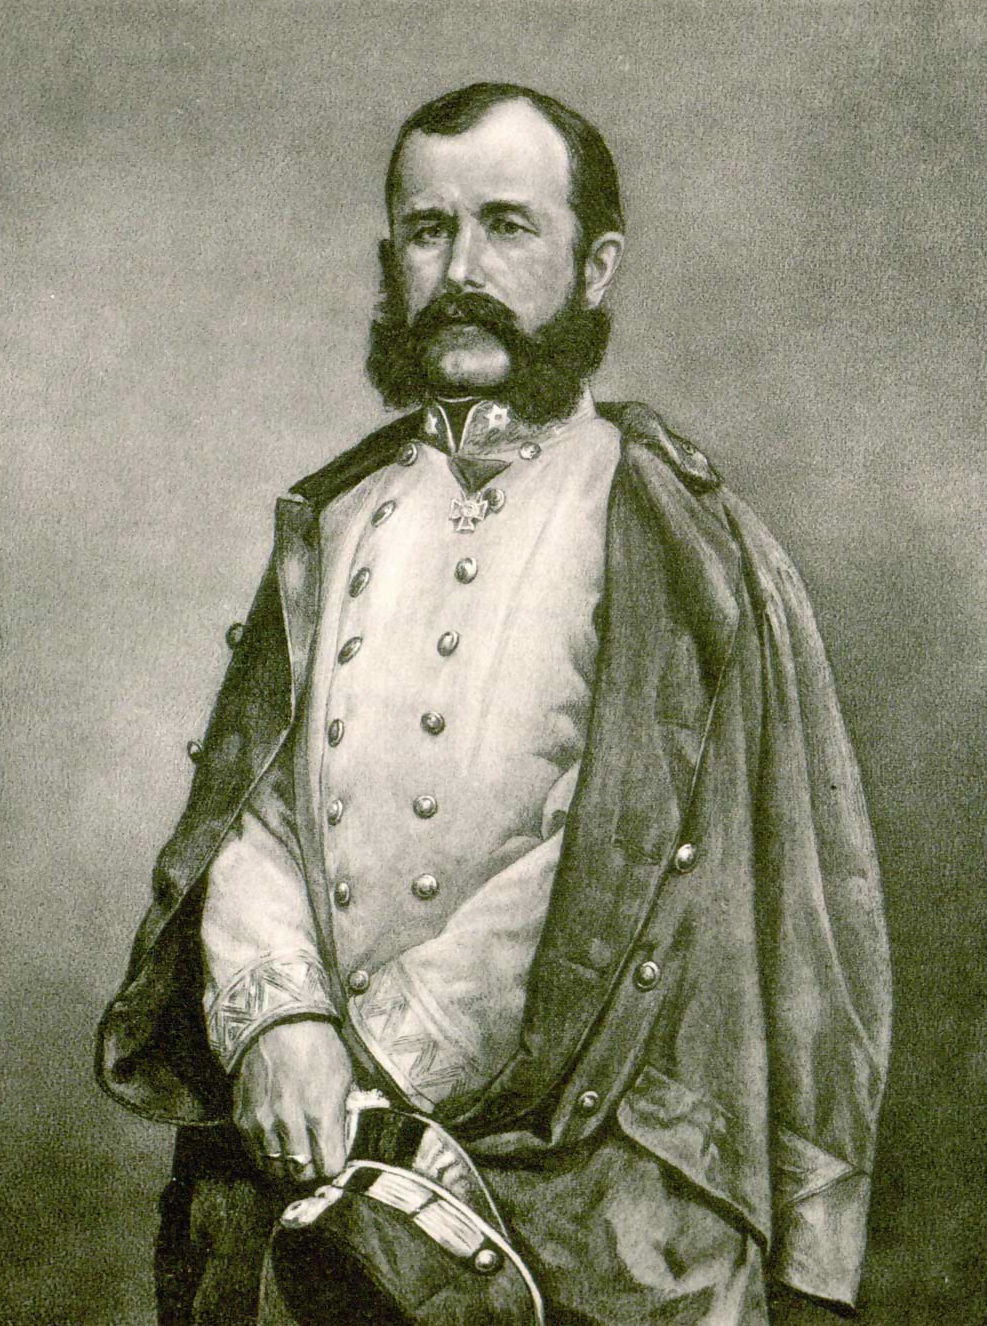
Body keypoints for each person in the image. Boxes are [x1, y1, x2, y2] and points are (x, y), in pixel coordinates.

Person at [97, 83, 892, 1326]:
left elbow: (734, 896)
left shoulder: (686, 541)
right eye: (429, 231)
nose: (460, 271)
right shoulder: (336, 519)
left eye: (508, 227)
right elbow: (257, 813)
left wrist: (375, 1068)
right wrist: (280, 1021)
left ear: (595, 267)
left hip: (605, 1207)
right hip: (318, 1167)